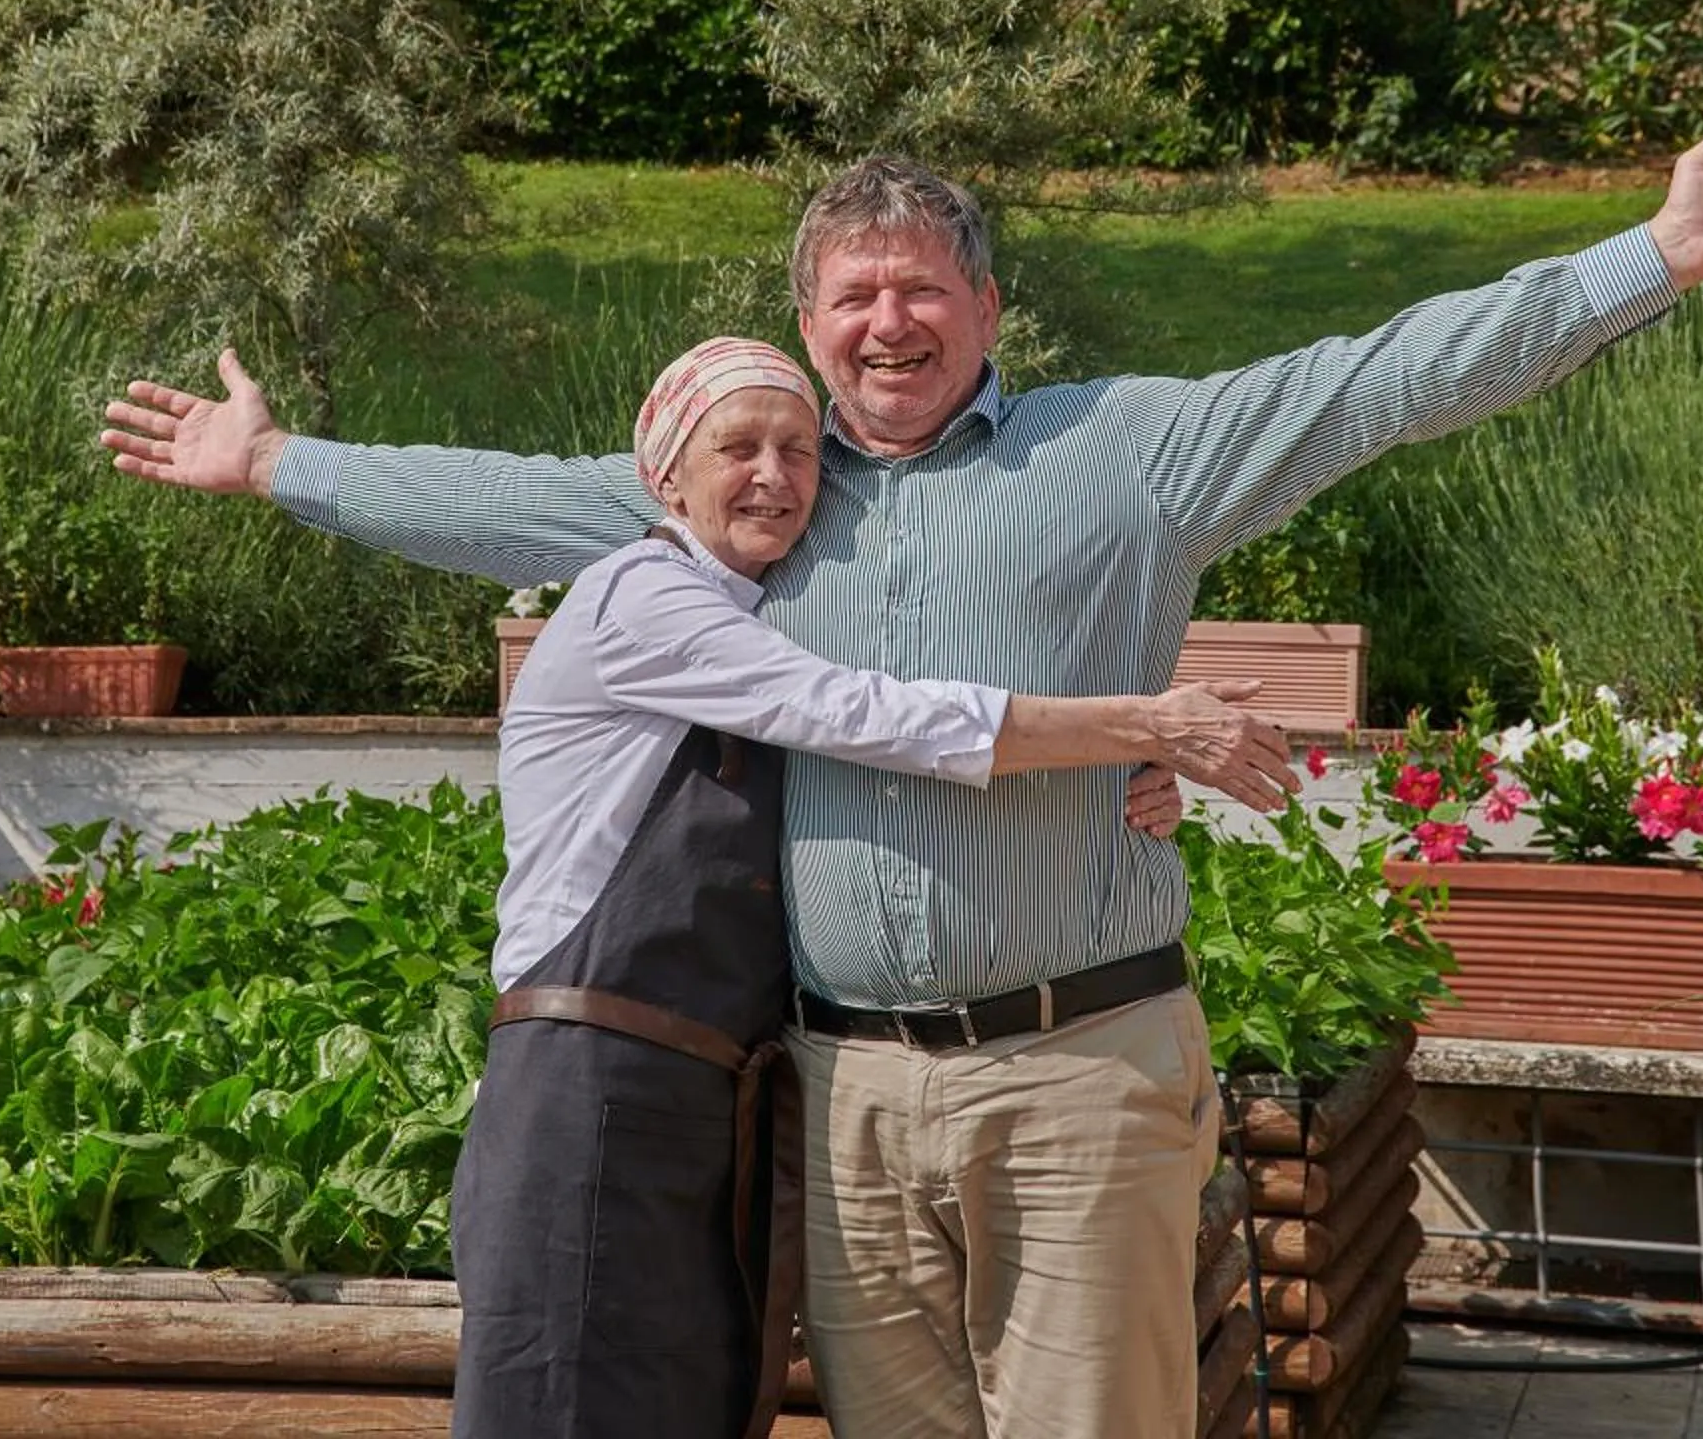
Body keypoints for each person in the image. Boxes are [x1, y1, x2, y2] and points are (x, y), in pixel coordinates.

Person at [101, 113, 1703, 1439]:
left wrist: (1648, 259)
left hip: (1077, 1072)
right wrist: (275, 462)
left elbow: (1382, 380)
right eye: (852, 295)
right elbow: (489, 496)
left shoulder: (1127, 451)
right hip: (845, 1092)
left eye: (920, 290)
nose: (887, 324)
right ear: (806, 322)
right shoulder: (748, 485)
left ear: (987, 306)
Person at [446, 333, 1279, 1439]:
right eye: (737, 447)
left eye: (798, 450)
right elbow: (870, 714)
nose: (774, 475)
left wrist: (1120, 782)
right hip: (585, 1085)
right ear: (665, 474)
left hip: (700, 1097)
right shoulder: (642, 601)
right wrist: (1140, 724)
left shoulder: (753, 613)